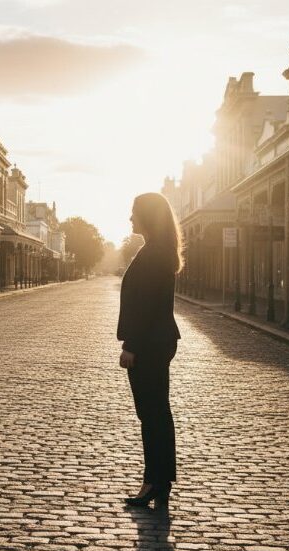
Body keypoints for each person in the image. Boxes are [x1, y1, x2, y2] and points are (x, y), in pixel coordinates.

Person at [117, 192, 184, 507]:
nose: (130, 218)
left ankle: (154, 481)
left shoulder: (154, 254)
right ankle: (160, 479)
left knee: (152, 413)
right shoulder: (156, 251)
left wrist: (131, 345)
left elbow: (147, 305)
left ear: (147, 216)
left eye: (134, 212)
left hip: (149, 344)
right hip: (157, 341)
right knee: (157, 412)